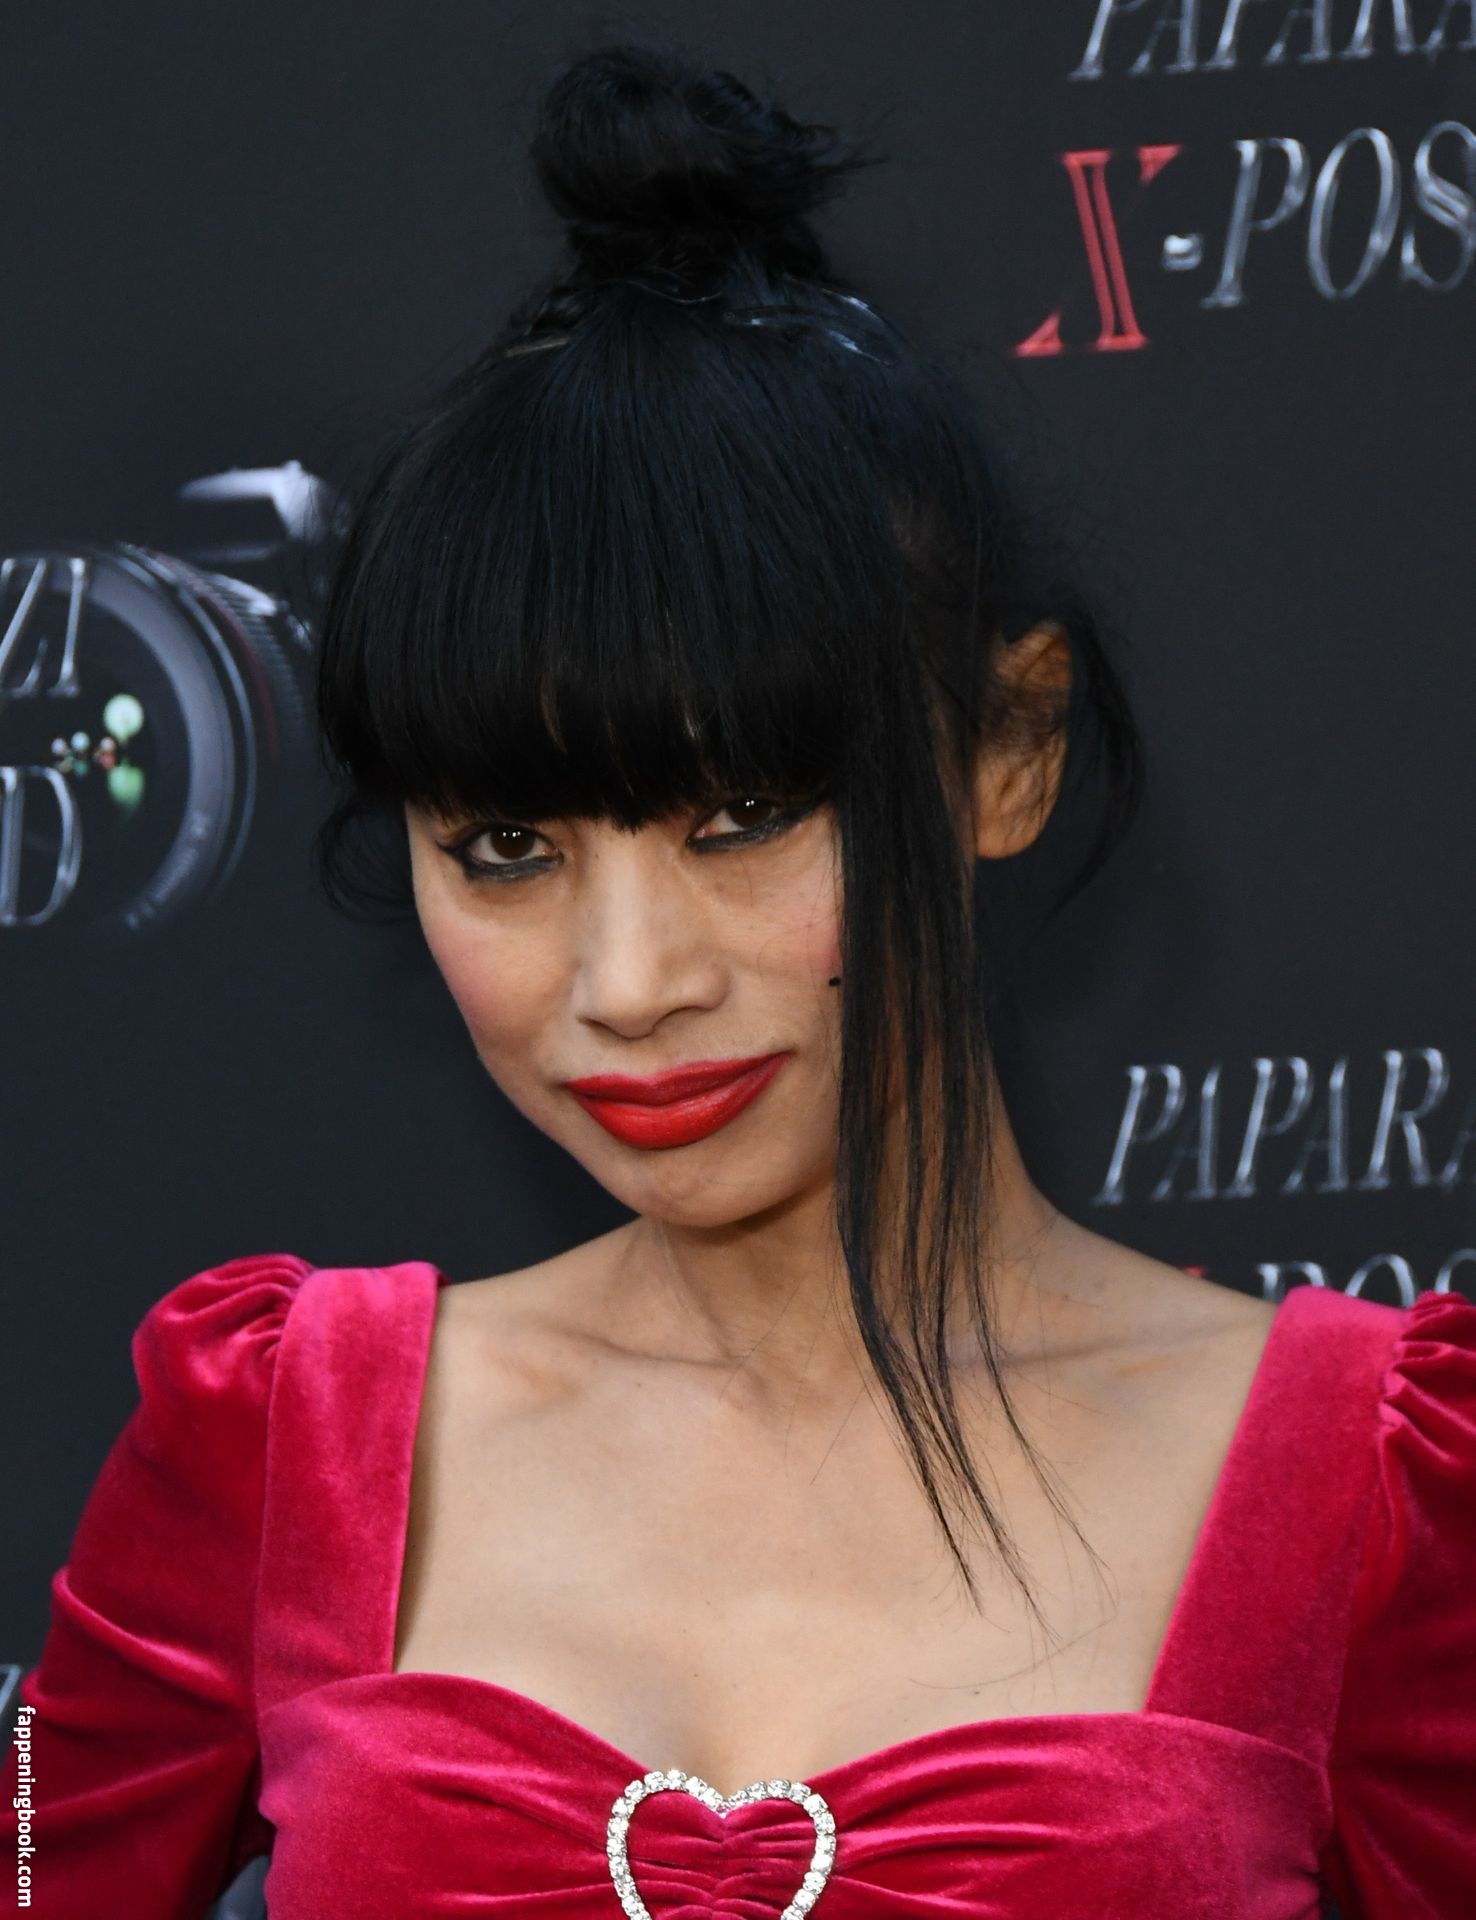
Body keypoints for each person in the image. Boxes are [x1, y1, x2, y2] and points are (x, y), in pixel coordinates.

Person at [4, 39, 1474, 1920]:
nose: (626, 983)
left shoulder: (1375, 1483)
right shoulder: (282, 1439)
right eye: (507, 846)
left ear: (1007, 752)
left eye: (747, 814)